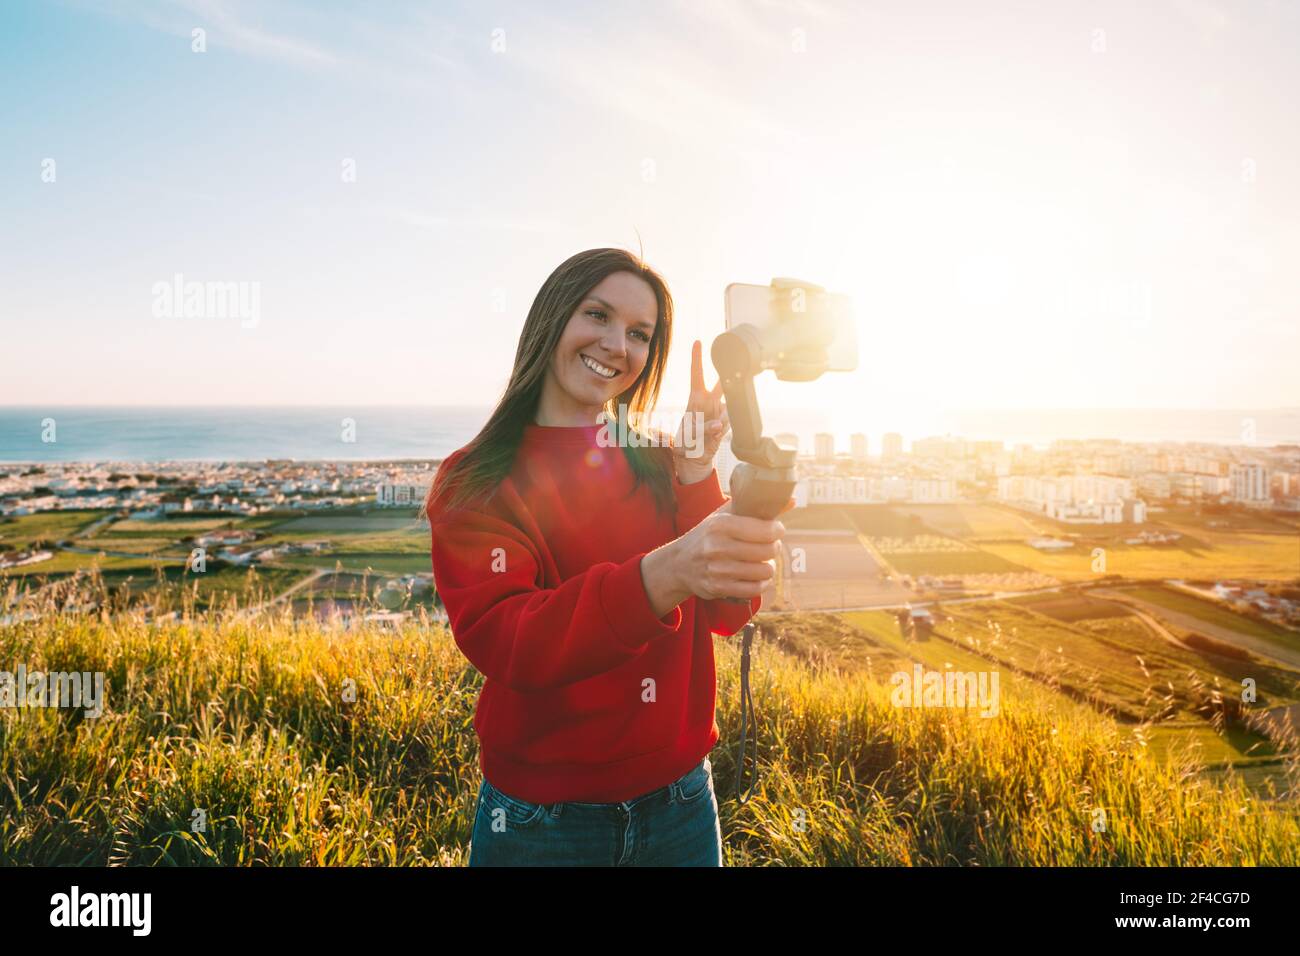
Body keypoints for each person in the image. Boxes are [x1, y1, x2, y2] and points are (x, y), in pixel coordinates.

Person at [424, 247, 789, 866]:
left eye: (640, 334)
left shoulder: (658, 462)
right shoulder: (476, 479)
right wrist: (665, 573)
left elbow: (727, 613)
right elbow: (510, 640)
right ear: (552, 319)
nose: (618, 345)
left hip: (681, 803)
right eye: (598, 315)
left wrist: (697, 471)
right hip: (542, 820)